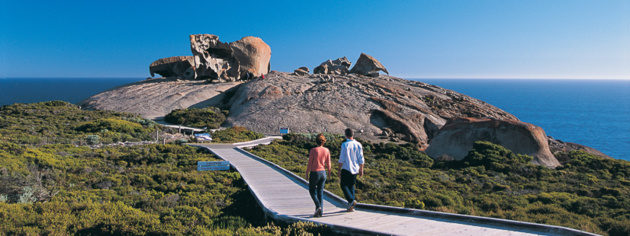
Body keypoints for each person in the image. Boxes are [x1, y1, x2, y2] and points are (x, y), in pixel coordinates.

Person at [338, 128, 364, 212]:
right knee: (351, 185)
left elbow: (341, 158)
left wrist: (339, 170)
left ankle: (351, 201)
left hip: (346, 168)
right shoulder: (358, 144)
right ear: (353, 134)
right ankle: (351, 206)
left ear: (346, 135)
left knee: (343, 185)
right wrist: (361, 169)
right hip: (355, 168)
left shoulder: (344, 144)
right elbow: (361, 158)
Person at [306, 133, 332, 217]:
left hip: (315, 172)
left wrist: (307, 172)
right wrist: (329, 172)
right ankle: (320, 212)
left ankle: (318, 206)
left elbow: (310, 163)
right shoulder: (327, 150)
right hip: (323, 172)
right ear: (323, 141)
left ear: (316, 141)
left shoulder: (313, 150)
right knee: (320, 192)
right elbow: (328, 163)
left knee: (312, 190)